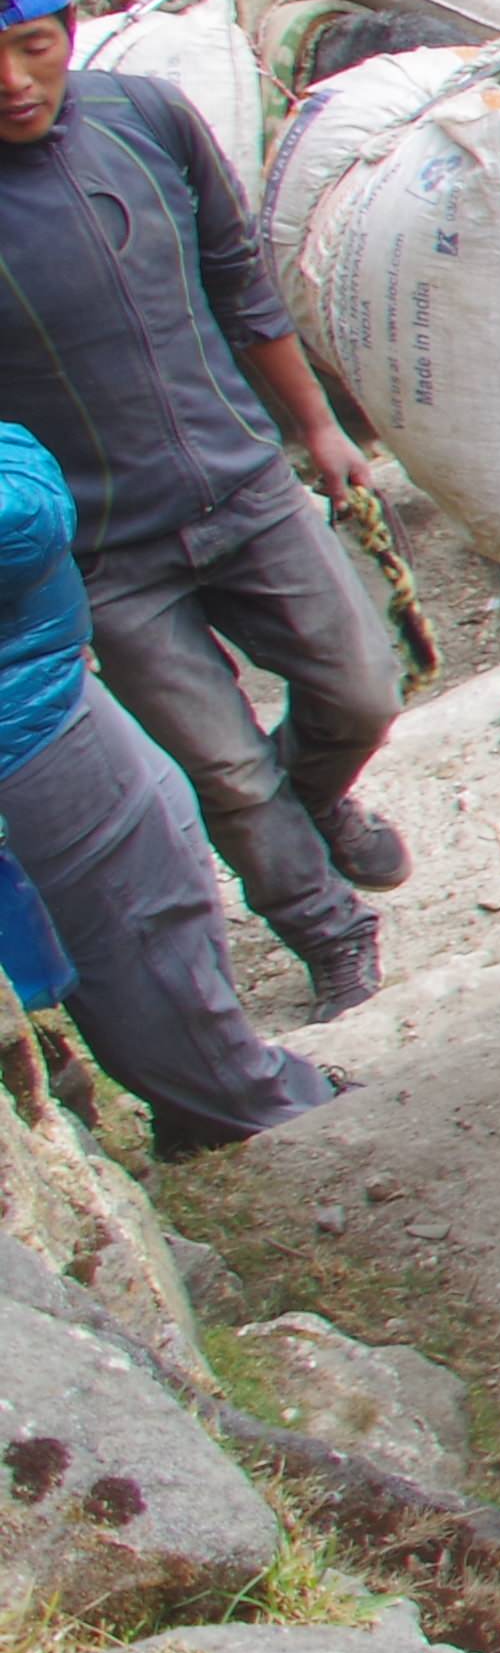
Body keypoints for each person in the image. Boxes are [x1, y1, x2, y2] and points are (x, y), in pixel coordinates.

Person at [0, 0, 406, 1016]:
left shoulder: (148, 123)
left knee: (362, 689)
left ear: (68, 32)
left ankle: (315, 803)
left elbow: (240, 281)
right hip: (103, 554)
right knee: (223, 769)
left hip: (243, 485)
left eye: (31, 45)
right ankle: (328, 930)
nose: (10, 80)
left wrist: (318, 429)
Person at [0, 416, 342, 1153]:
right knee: (142, 929)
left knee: (173, 858)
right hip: (22, 727)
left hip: (45, 682)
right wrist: (27, 462)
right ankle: (265, 1119)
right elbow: (21, 522)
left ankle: (221, 1096)